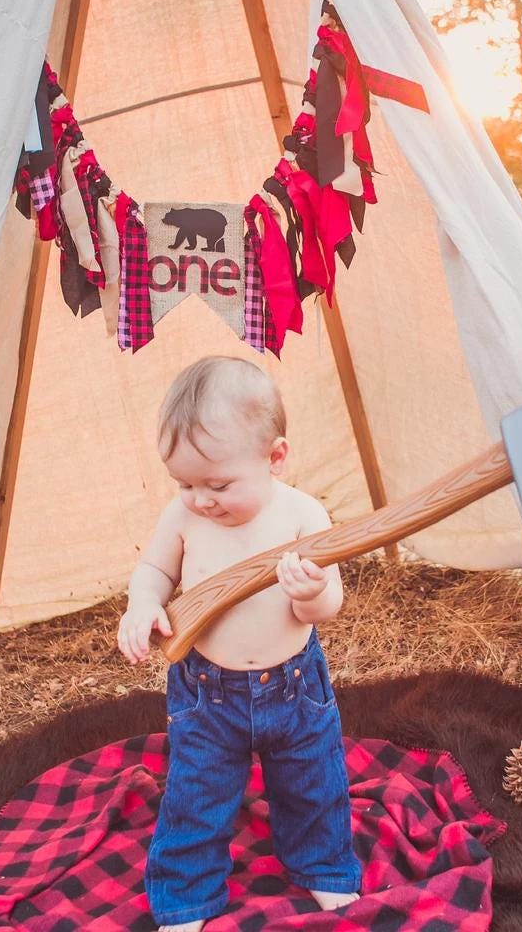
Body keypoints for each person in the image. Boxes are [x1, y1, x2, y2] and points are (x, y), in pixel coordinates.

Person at [117, 356, 361, 932]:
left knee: (314, 786)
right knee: (196, 797)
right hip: (208, 693)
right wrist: (144, 602)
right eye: (186, 483)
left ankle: (324, 868)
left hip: (296, 689)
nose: (201, 498)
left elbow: (329, 607)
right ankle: (186, 896)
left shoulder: (303, 515)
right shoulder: (184, 516)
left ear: (275, 457)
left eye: (219, 484)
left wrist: (311, 594)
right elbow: (154, 568)